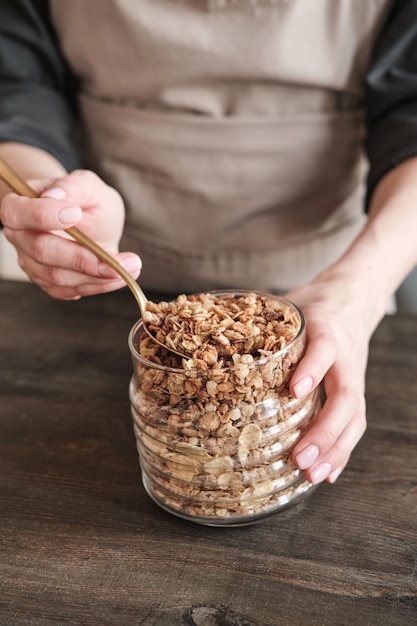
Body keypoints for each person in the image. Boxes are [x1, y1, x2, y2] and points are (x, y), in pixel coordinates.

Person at [1, 0, 417, 487]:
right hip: (106, 285)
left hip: (332, 292)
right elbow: (19, 83)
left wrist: (353, 296)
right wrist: (51, 199)